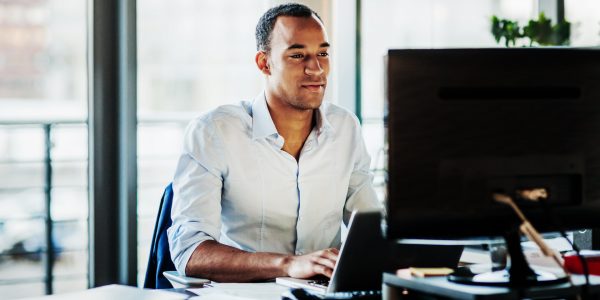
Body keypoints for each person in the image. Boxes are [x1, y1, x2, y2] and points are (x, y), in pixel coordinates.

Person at [167, 3, 382, 283]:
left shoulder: (345, 128)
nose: (316, 68)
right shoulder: (214, 131)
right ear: (264, 63)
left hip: (323, 292)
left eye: (323, 53)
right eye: (297, 55)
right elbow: (190, 253)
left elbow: (371, 229)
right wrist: (288, 264)